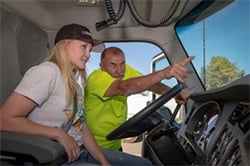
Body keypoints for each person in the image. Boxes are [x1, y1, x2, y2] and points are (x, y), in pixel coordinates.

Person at [0, 24, 152, 166]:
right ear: (65, 46)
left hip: (79, 151)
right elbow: (4, 120)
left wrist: (103, 161)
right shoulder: (47, 72)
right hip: (54, 158)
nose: (88, 55)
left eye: (90, 49)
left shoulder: (75, 86)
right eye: (84, 47)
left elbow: (81, 127)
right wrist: (59, 134)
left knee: (145, 164)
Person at [84, 47, 195, 151]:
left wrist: (175, 94)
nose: (120, 71)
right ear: (101, 66)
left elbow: (151, 85)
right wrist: (163, 73)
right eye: (113, 65)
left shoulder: (125, 71)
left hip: (114, 144)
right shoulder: (95, 78)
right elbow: (123, 88)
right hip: (95, 147)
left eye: (122, 64)